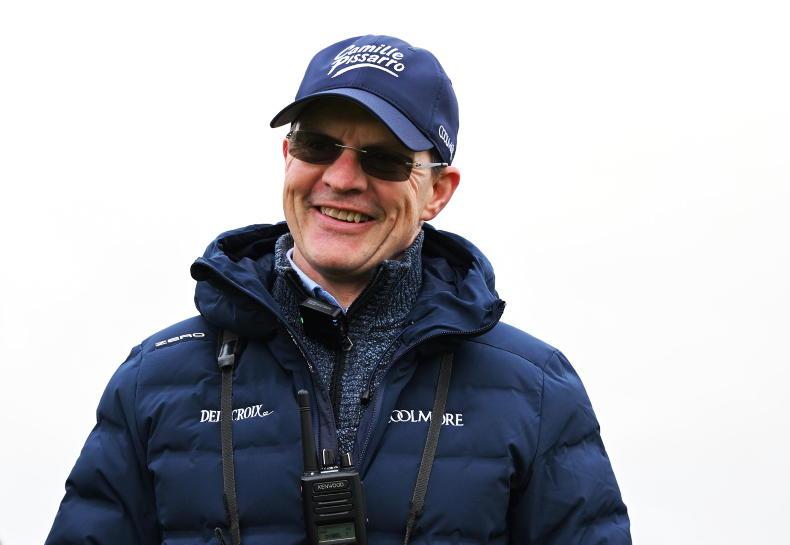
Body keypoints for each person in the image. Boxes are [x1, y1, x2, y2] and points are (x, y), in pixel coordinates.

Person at [46, 34, 631, 545]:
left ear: (437, 191)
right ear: (287, 157)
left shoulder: (535, 390)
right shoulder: (154, 379)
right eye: (318, 146)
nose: (342, 178)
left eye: (384, 160)